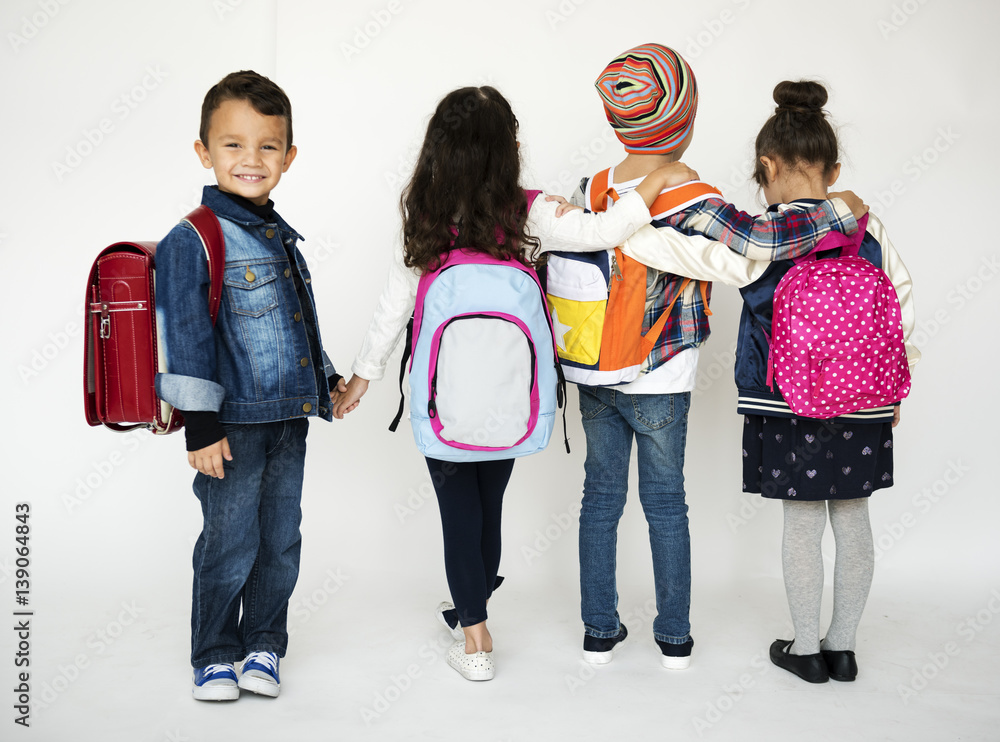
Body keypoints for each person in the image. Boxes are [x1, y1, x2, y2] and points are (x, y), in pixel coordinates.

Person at [330, 85, 699, 682]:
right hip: (510, 401)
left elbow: (393, 308)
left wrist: (362, 377)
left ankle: (474, 639)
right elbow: (605, 232)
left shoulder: (425, 223)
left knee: (458, 514)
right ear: (504, 152)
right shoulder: (528, 211)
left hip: (440, 400)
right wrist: (654, 183)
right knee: (488, 508)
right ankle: (471, 610)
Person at [565, 43, 870, 671]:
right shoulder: (689, 192)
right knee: (666, 502)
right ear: (686, 118)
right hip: (660, 371)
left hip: (593, 371)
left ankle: (599, 634)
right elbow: (759, 244)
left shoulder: (590, 189)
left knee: (599, 501)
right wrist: (837, 211)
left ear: (616, 119)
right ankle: (673, 640)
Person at [621, 79, 918, 682]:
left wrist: (627, 232)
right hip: (865, 396)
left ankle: (804, 650)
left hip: (787, 399)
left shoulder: (764, 239)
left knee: (803, 521)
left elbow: (692, 258)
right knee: (853, 517)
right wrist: (890, 386)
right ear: (834, 169)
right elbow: (902, 301)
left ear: (766, 166)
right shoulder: (866, 226)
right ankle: (844, 647)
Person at [155, 70, 344, 701]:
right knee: (228, 542)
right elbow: (186, 336)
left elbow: (294, 326)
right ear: (203, 152)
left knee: (280, 541)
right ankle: (214, 651)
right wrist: (200, 427)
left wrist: (326, 382)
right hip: (230, 428)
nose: (251, 159)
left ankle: (264, 644)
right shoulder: (195, 239)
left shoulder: (279, 235)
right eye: (232, 145)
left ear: (289, 157)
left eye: (267, 146)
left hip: (287, 418)